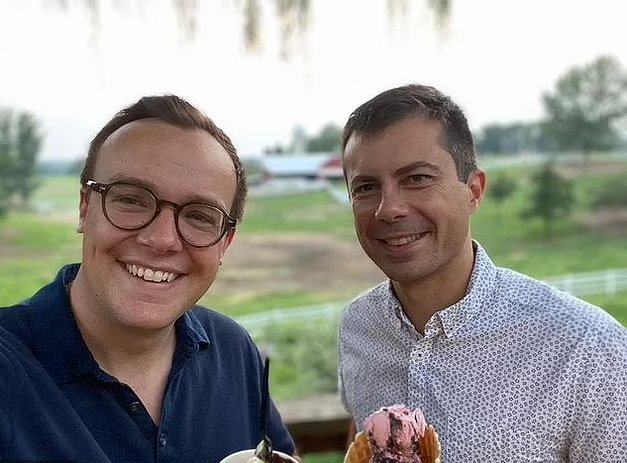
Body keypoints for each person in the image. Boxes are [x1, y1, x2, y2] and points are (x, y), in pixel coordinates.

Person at [337, 84, 627, 461]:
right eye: (366, 187)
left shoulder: (588, 348)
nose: (388, 209)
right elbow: (360, 439)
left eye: (417, 178)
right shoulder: (358, 326)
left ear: (473, 191)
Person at [0, 95, 295, 462]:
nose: (161, 240)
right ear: (84, 208)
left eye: (200, 216)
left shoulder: (232, 349)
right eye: (132, 200)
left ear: (225, 244)